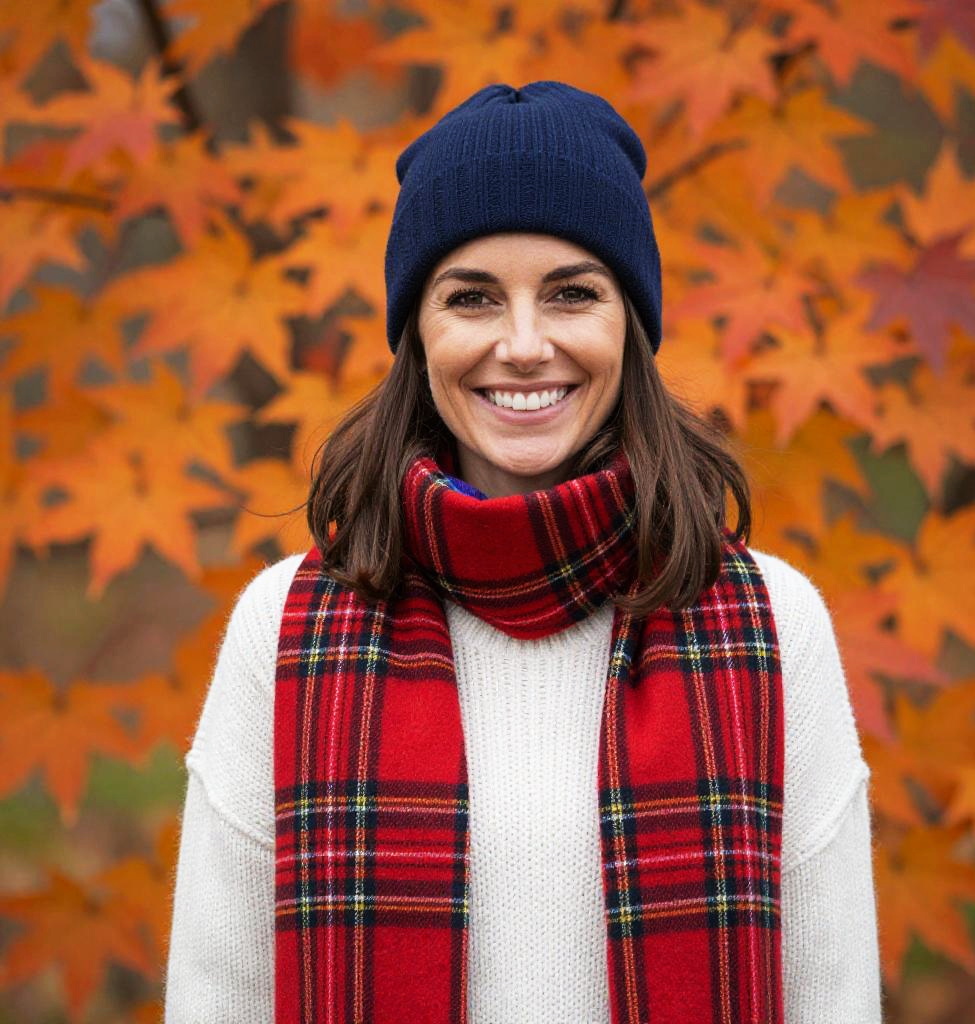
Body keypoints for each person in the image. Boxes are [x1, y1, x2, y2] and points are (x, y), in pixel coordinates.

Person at [165, 81, 882, 1024]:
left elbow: (833, 1004)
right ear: (417, 335)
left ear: (631, 322)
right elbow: (218, 1004)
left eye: (571, 293)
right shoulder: (287, 629)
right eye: (471, 298)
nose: (525, 343)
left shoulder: (773, 624)